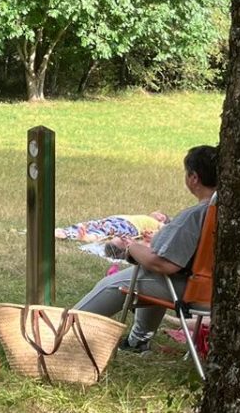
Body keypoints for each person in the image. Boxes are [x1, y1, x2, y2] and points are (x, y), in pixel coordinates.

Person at [70, 145, 218, 352]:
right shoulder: (222, 209)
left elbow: (164, 264)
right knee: (147, 276)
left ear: (194, 178)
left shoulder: (197, 214)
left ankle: (61, 330)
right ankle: (137, 341)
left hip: (194, 289)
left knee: (115, 284)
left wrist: (132, 248)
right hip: (211, 287)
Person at [55, 212, 170, 243]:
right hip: (115, 220)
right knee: (92, 224)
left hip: (128, 227)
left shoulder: (157, 224)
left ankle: (87, 237)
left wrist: (155, 230)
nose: (157, 213)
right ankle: (67, 231)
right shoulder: (144, 217)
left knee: (106, 231)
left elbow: (167, 229)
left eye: (161, 214)